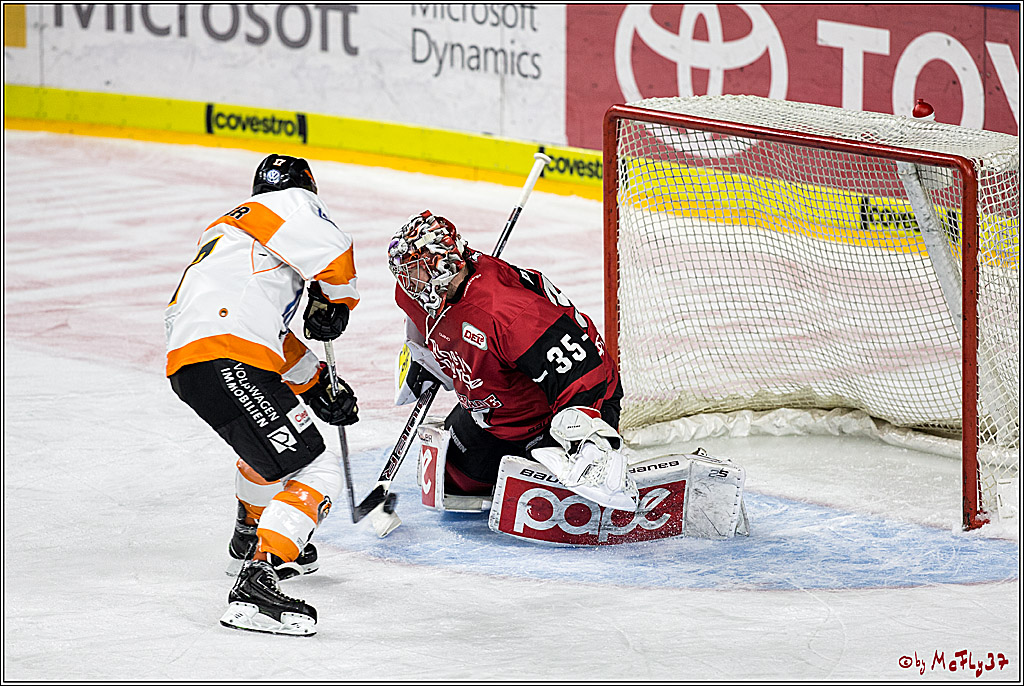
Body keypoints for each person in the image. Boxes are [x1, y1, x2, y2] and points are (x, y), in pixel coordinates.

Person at [165, 154, 359, 636]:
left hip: (197, 363)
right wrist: (334, 302)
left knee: (271, 453)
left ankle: (248, 540)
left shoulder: (230, 240)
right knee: (318, 467)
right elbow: (336, 257)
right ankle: (259, 578)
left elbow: (261, 330)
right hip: (230, 357)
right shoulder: (290, 204)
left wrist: (315, 383)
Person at [387, 210, 638, 511]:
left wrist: (590, 440)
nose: (408, 282)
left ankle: (590, 450)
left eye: (415, 270)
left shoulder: (508, 312)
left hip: (566, 400)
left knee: (568, 498)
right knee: (454, 479)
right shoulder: (414, 293)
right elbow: (421, 324)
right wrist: (424, 358)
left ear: (443, 265)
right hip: (499, 412)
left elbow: (584, 372)